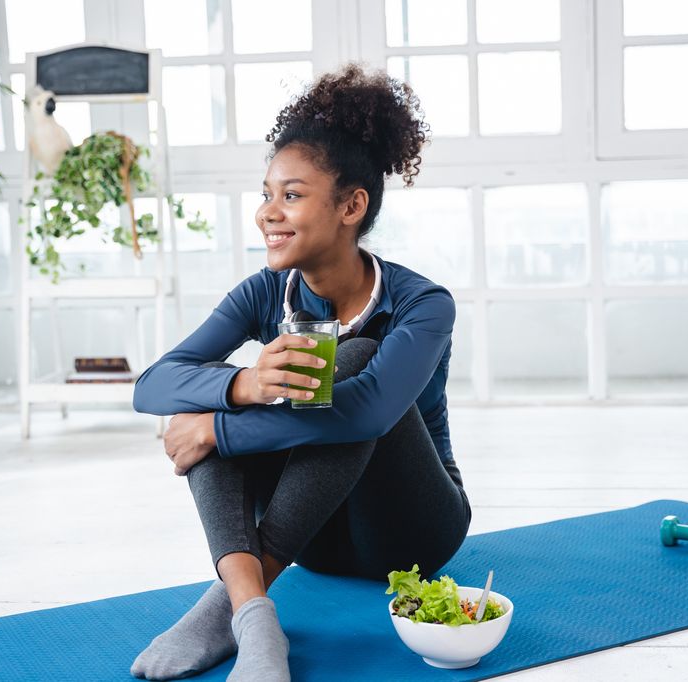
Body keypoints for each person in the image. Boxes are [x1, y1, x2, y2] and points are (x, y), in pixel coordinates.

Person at [129, 62, 471, 682]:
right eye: (266, 194)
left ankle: (228, 604)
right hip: (314, 538)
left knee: (353, 361)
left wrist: (217, 428)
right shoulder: (264, 292)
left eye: (291, 195)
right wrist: (241, 386)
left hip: (414, 531)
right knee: (215, 390)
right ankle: (250, 613)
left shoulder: (423, 304)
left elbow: (366, 411)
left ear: (351, 206)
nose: (267, 212)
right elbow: (153, 385)